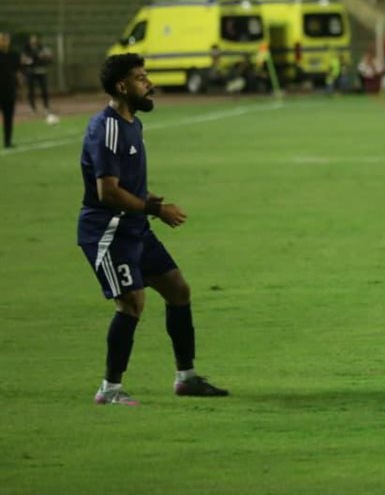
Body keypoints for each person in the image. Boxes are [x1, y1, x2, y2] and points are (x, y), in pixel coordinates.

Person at [78, 53, 229, 405]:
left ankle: (186, 378)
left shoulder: (132, 123)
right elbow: (107, 191)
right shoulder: (108, 127)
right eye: (141, 78)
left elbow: (125, 185)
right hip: (108, 229)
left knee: (178, 290)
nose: (150, 84)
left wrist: (147, 200)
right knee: (131, 303)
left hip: (134, 226)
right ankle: (109, 390)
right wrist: (154, 208)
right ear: (122, 86)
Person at [21, 34, 53, 116]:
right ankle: (33, 108)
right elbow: (24, 60)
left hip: (41, 71)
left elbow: (48, 58)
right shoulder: (26, 49)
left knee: (44, 90)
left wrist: (46, 56)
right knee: (31, 91)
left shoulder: (41, 48)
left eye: (35, 38)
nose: (34, 40)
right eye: (32, 39)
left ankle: (46, 107)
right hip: (31, 72)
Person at [0, 32, 19, 148]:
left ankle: (7, 141)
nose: (3, 42)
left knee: (8, 118)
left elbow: (16, 71)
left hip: (9, 91)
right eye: (2, 39)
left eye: (5, 39)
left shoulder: (13, 55)